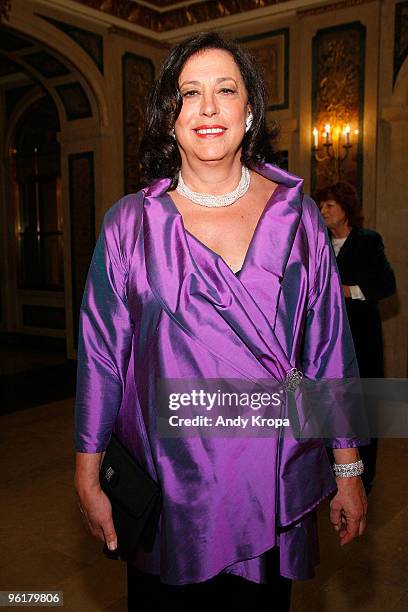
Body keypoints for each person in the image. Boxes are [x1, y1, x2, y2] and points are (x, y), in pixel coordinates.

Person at [74, 32, 368, 612]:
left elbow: (331, 350)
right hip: (168, 489)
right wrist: (86, 473)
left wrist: (348, 465)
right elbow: (101, 359)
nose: (208, 108)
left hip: (272, 475)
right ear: (169, 117)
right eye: (189, 94)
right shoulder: (128, 225)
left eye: (225, 90)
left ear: (250, 110)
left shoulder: (299, 217)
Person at [315, 181, 396, 493]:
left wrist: (349, 292)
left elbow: (386, 285)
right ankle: (331, 475)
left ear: (346, 209)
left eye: (329, 206)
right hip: (325, 341)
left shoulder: (368, 241)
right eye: (320, 206)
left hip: (362, 338)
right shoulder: (317, 242)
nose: (323, 212)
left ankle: (365, 476)